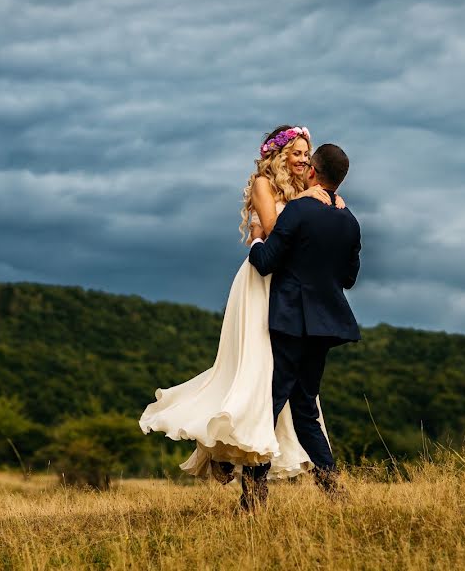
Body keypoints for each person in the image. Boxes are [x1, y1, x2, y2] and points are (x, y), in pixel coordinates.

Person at [139, 126, 346, 495]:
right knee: (257, 373)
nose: (302, 159)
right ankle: (246, 468)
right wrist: (314, 202)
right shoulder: (264, 184)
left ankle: (263, 472)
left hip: (292, 291)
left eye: (306, 154)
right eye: (296, 152)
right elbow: (272, 229)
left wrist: (328, 200)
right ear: (279, 155)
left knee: (283, 385)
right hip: (261, 284)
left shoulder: (309, 193)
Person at [241, 143, 361, 511]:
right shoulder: (349, 220)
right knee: (306, 408)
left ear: (312, 172)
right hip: (326, 324)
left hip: (291, 320)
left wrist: (259, 234)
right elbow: (349, 278)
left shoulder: (297, 212)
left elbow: (265, 262)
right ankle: (333, 491)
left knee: (270, 404)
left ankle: (253, 499)